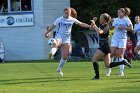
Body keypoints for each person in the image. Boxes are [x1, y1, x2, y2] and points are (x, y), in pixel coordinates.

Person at [45, 7, 91, 76]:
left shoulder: (72, 19)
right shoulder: (60, 19)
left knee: (65, 57)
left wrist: (89, 26)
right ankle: (52, 53)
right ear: (64, 13)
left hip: (66, 38)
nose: (67, 14)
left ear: (70, 13)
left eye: (68, 13)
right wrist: (46, 33)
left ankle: (59, 68)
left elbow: (81, 24)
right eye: (66, 13)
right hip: (59, 36)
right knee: (56, 44)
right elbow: (53, 26)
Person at [90, 13, 131, 80]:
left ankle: (97, 76)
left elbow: (100, 32)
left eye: (101, 18)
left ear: (104, 20)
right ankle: (123, 62)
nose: (100, 19)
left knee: (94, 59)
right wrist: (93, 22)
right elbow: (91, 28)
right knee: (108, 65)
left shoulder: (106, 26)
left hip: (104, 46)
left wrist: (94, 24)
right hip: (105, 46)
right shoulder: (101, 24)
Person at [106, 8, 133, 77]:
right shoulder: (116, 20)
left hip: (122, 39)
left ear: (123, 13)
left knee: (120, 55)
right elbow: (112, 28)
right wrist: (108, 23)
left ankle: (121, 72)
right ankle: (109, 70)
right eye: (118, 12)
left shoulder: (126, 19)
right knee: (111, 54)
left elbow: (131, 28)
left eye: (120, 12)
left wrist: (123, 27)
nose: (118, 13)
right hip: (115, 38)